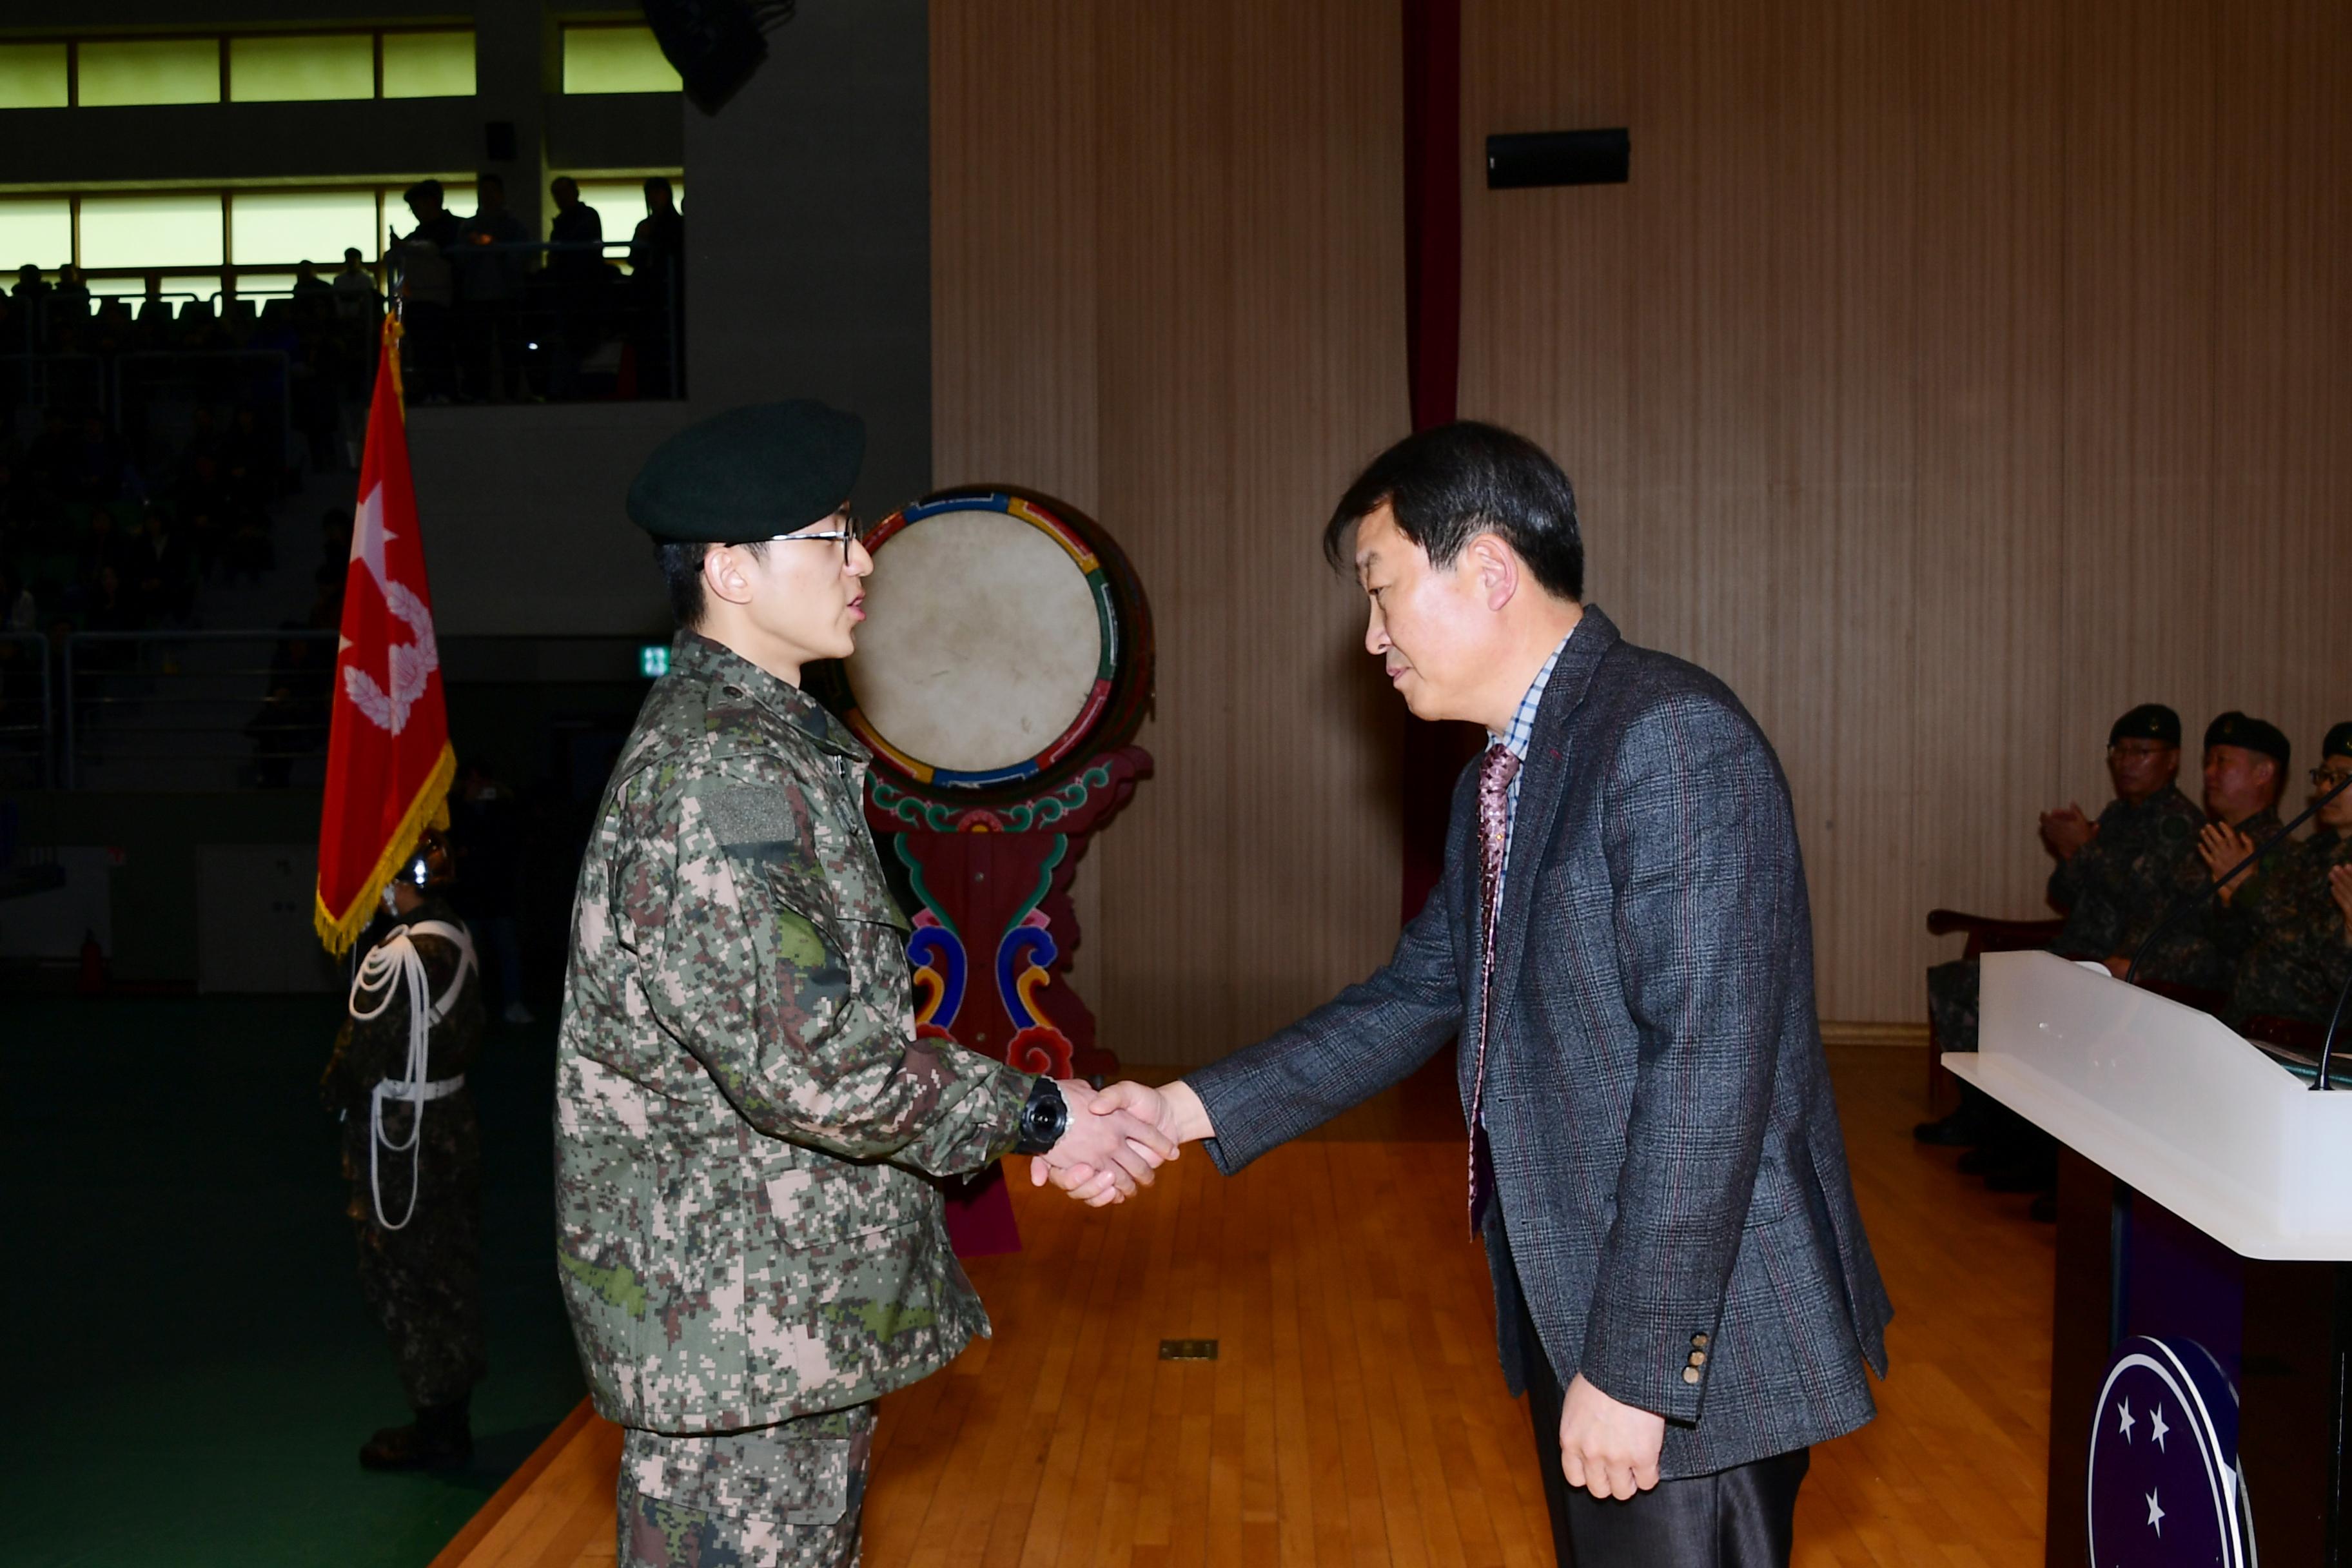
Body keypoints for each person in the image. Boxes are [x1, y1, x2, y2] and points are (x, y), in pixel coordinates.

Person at [1059, 422, 1892, 1568]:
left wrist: (1638, 1364)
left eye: (1381, 589)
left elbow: (1707, 1068)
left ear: (1489, 570)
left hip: (1693, 1342)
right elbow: (1416, 996)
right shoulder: (1504, 770)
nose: (1369, 637)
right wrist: (1180, 1109)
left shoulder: (1666, 737)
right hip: (1585, 1297)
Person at [553, 400, 1175, 1568]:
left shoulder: (764, 743)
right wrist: (1043, 1110)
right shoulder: (722, 771)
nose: (866, 559)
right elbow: (816, 1063)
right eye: (831, 534)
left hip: (763, 1326)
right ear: (731, 571)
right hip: (737, 1343)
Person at [1916, 703, 2204, 1148]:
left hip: (2119, 961)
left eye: (2141, 752)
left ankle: (2019, 1133)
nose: (2127, 763)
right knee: (1962, 983)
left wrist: (2085, 850)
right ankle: (1984, 1115)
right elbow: (2066, 896)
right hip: (2074, 948)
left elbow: (2144, 901)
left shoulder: (2178, 824)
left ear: (2172, 760)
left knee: (2004, 991)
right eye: (2119, 751)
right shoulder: (2117, 816)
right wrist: (2071, 854)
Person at [318, 832, 488, 1469]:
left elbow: (359, 1055)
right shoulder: (457, 935)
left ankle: (438, 1426)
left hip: (403, 1137)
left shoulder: (401, 956)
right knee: (451, 1270)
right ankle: (452, 1414)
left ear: (399, 882)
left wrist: (331, 1090)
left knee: (408, 1280)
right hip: (452, 1121)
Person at [2203, 722, 2352, 1028]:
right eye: (2324, 776)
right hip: (2247, 1019)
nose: (2326, 788)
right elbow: (2245, 939)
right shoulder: (2308, 852)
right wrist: (2232, 897)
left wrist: (2249, 889)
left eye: (2342, 778)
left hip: (2303, 1032)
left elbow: (2315, 948)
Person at [456, 174, 528, 401]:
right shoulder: (468, 227)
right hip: (477, 295)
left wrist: (497, 248)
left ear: (501, 194)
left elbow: (522, 257)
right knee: (479, 348)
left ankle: (512, 393)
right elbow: (460, 261)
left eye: (491, 191)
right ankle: (481, 394)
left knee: (510, 348)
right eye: (483, 191)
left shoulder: (514, 226)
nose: (487, 196)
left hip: (507, 294)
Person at [391, 181, 460, 400]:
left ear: (432, 202)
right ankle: (434, 390)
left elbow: (437, 251)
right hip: (420, 301)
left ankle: (446, 391)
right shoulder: (417, 234)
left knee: (442, 350)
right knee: (424, 351)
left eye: (417, 206)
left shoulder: (455, 229)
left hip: (447, 300)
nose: (414, 212)